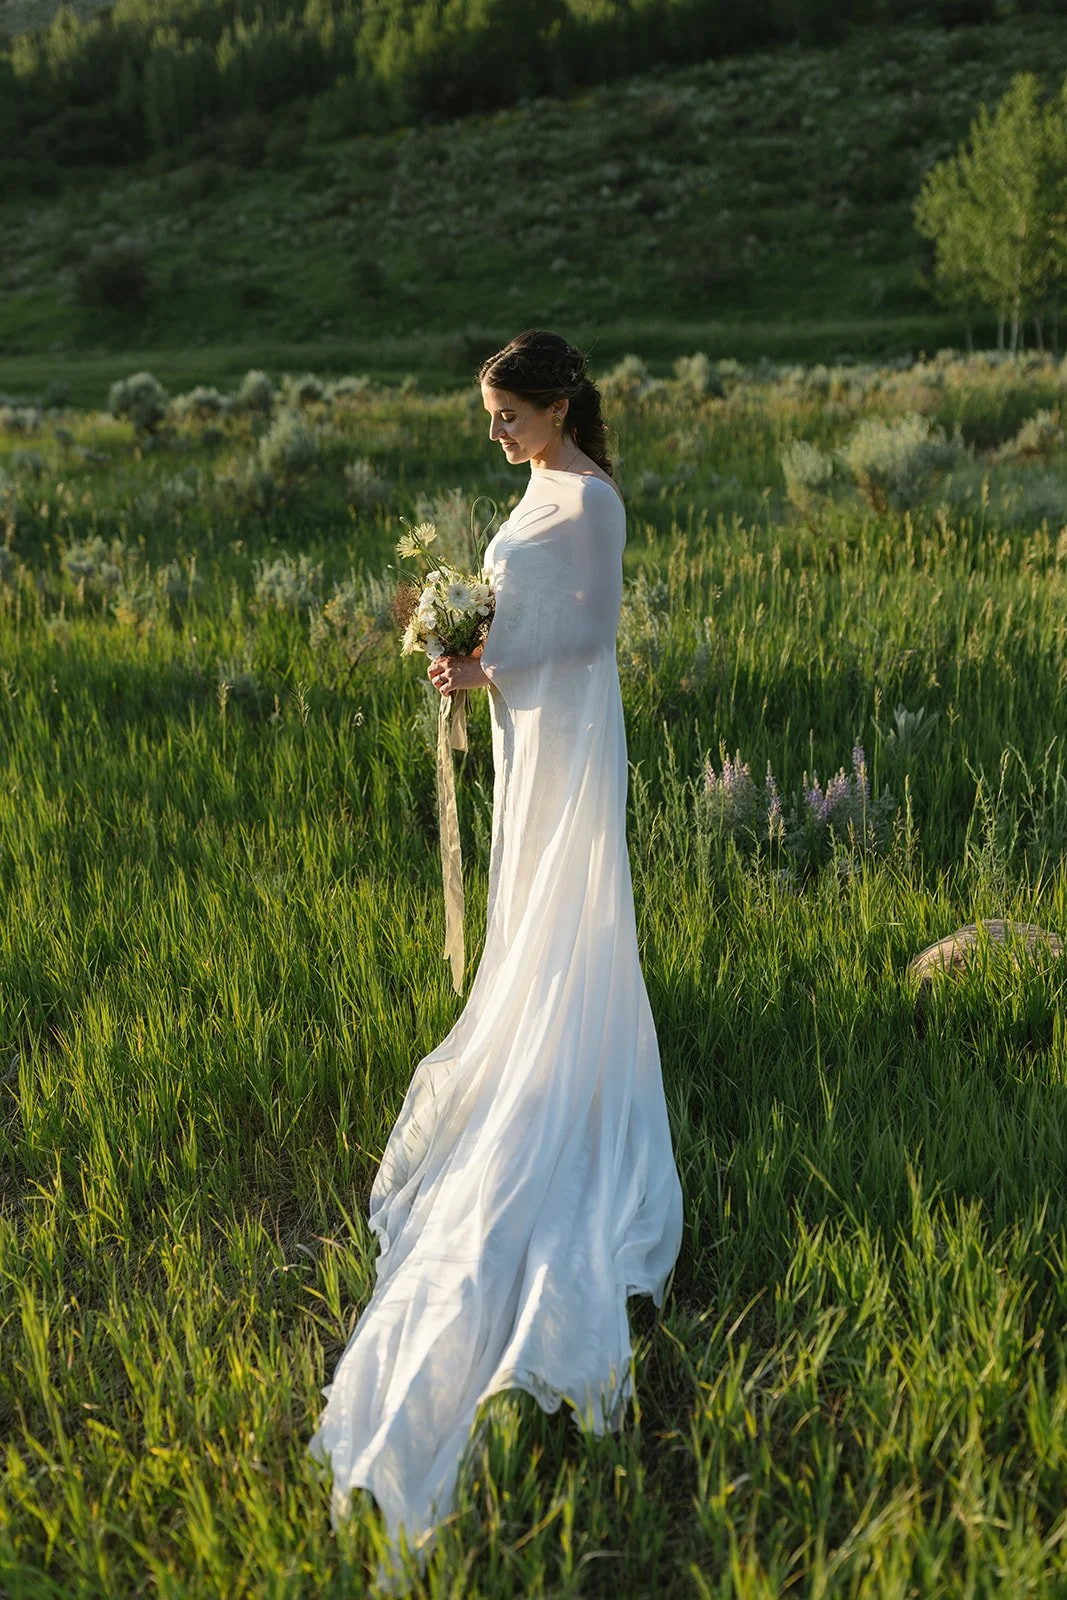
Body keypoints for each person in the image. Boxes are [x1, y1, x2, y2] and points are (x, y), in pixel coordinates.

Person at [307, 329, 684, 1592]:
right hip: (529, 734)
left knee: (564, 909)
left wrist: (482, 658)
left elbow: (586, 633)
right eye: (490, 419)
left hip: (569, 731)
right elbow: (528, 620)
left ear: (558, 403)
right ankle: (528, 1030)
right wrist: (472, 658)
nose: (498, 436)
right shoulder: (535, 489)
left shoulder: (592, 499)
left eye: (509, 416)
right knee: (525, 902)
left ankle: (566, 1066)